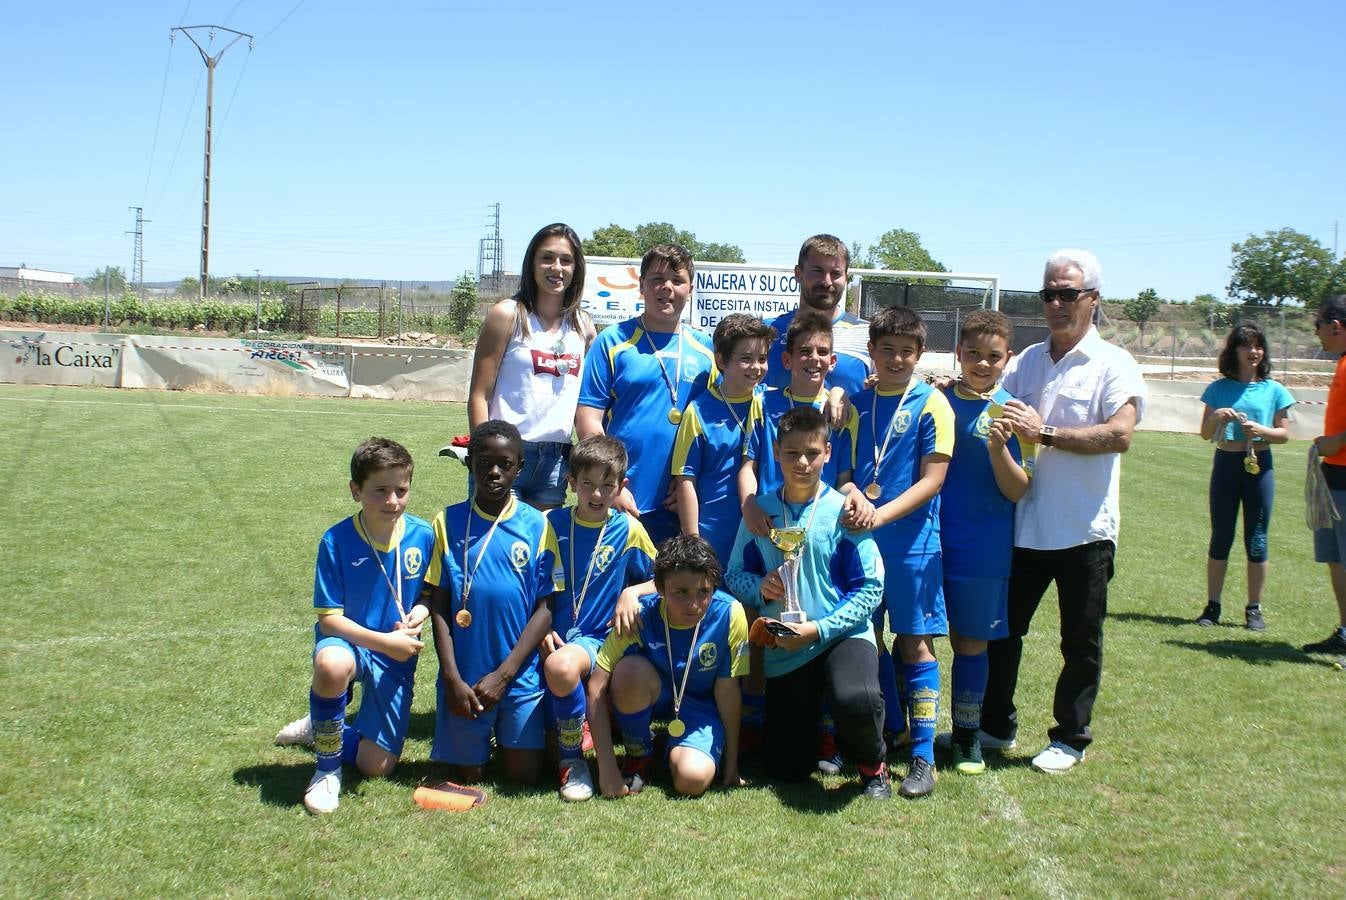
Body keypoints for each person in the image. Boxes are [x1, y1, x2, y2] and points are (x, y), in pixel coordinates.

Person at [979, 249, 1146, 774]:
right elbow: (983, 400)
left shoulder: (1114, 363)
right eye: (1048, 293)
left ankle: (1070, 736)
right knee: (1002, 631)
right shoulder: (1027, 360)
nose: (1055, 303)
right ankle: (995, 725)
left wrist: (1043, 433)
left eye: (1067, 293)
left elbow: (1119, 435)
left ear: (1092, 299)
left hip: (1084, 531)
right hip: (1025, 525)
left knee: (1080, 640)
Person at [726, 407, 889, 798]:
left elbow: (870, 588)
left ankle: (873, 765)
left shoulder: (845, 511)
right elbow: (733, 574)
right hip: (787, 646)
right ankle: (816, 741)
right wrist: (760, 588)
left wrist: (818, 629)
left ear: (828, 453)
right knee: (785, 769)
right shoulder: (759, 511)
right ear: (777, 453)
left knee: (858, 698)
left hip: (841, 636)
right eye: (792, 453)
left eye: (812, 453)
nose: (802, 462)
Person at [845, 306, 954, 798]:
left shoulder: (934, 404)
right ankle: (886, 736)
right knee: (867, 641)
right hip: (862, 545)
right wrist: (852, 496)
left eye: (905, 352)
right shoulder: (854, 405)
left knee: (916, 644)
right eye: (886, 349)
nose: (895, 359)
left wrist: (879, 514)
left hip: (912, 546)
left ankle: (924, 758)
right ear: (871, 351)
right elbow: (843, 472)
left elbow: (933, 480)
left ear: (919, 355)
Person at [299, 437, 438, 815]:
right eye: (380, 491)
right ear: (355, 491)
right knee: (332, 665)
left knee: (376, 767)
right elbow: (329, 618)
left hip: (396, 654)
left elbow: (430, 592)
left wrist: (421, 613)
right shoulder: (336, 540)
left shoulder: (423, 535)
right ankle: (326, 772)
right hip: (349, 640)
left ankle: (325, 725)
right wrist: (384, 641)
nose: (392, 501)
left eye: (401, 490)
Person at [426, 420, 560, 785]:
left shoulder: (537, 526)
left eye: (505, 463)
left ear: (520, 467)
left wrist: (504, 675)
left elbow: (545, 607)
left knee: (524, 778)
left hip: (517, 674)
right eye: (484, 462)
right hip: (465, 677)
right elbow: (439, 606)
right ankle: (474, 742)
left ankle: (525, 735)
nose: (495, 472)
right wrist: (452, 677)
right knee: (467, 776)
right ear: (470, 463)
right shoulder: (447, 521)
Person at [935, 310, 1029, 776]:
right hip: (928, 540)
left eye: (993, 357)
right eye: (974, 354)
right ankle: (905, 730)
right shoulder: (934, 400)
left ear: (1007, 359)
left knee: (970, 641)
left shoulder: (1015, 413)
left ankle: (968, 735)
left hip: (984, 547)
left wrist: (998, 449)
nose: (982, 363)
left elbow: (1018, 490)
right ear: (959, 353)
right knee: (915, 637)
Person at [542, 435, 657, 801]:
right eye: (587, 485)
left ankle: (593, 759)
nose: (596, 495)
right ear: (571, 483)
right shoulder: (550, 524)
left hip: (600, 640)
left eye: (607, 486)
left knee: (562, 667)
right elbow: (530, 585)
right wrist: (540, 627)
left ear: (621, 487)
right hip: (557, 636)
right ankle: (573, 755)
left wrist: (632, 592)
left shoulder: (628, 529)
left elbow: (665, 580)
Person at [577, 243, 716, 546]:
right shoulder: (612, 341)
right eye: (656, 279)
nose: (666, 287)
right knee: (614, 590)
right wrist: (611, 486)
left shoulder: (708, 351)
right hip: (620, 498)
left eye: (676, 280)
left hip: (680, 503)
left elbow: (718, 428)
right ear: (641, 286)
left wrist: (690, 489)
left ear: (690, 288)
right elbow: (589, 419)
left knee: (670, 590)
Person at [589, 534, 749, 798]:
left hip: (701, 707)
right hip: (654, 694)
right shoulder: (639, 615)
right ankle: (638, 756)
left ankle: (669, 745)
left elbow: (728, 690)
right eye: (681, 592)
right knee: (629, 670)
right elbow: (596, 684)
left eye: (704, 592)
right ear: (660, 589)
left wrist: (731, 763)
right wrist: (606, 771)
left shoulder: (730, 614)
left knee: (692, 781)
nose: (694, 604)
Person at [467, 223, 596, 510]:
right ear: (532, 263)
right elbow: (479, 394)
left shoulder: (584, 325)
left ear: (577, 268)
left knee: (542, 551)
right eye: (547, 258)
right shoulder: (507, 315)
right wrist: (483, 454)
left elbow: (587, 402)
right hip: (506, 452)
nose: (556, 267)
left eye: (566, 260)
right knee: (496, 547)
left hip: (555, 460)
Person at [1195, 323, 1294, 631]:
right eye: (1246, 346)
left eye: (1258, 346)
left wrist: (1261, 431)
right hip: (1226, 462)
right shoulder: (1218, 388)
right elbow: (1204, 433)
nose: (1253, 352)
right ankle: (1213, 607)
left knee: (1257, 539)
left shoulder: (1274, 390)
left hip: (1259, 466)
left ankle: (1254, 609)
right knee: (1221, 536)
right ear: (1234, 351)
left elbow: (1283, 435)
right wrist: (1217, 416)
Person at [672, 313, 773, 569]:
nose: (756, 367)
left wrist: (839, 394)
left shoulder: (771, 402)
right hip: (714, 532)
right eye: (746, 359)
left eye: (762, 359)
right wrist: (693, 539)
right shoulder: (698, 411)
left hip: (764, 527)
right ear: (721, 361)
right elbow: (686, 479)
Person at [765, 234, 872, 395]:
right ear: (798, 273)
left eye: (835, 273)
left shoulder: (869, 335)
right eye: (817, 271)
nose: (826, 281)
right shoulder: (767, 332)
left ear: (846, 278)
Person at [1305, 295, 1346, 656]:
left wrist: (1337, 441)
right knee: (1335, 558)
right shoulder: (1342, 364)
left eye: (1318, 325)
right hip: (1334, 477)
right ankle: (1345, 632)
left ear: (1336, 326)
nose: (1316, 332)